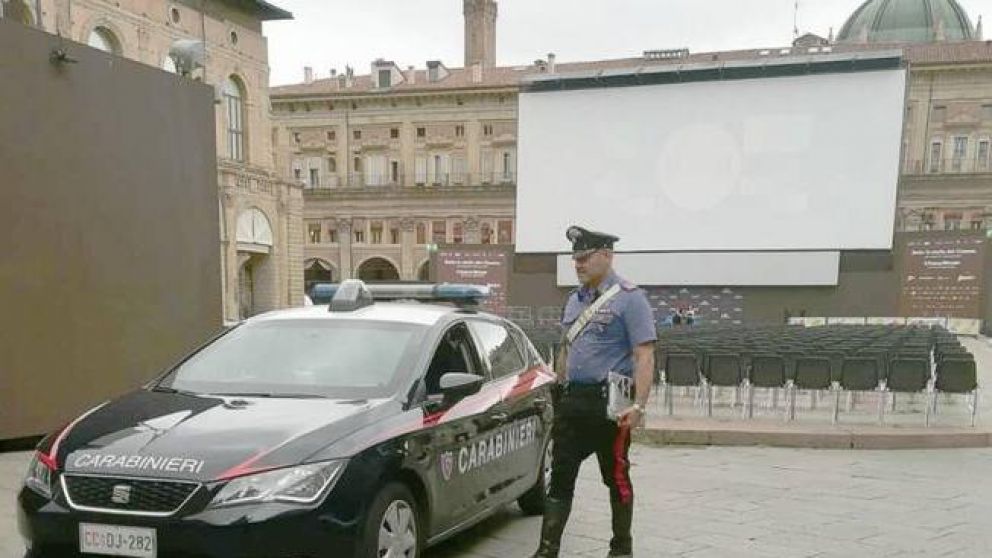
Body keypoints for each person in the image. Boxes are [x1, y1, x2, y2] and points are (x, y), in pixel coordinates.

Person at [532, 226, 656, 558]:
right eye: (575, 259)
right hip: (573, 404)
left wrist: (639, 406)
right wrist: (558, 387)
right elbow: (566, 348)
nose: (578, 264)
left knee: (616, 478)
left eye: (585, 258)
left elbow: (644, 354)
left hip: (610, 407)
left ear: (606, 255)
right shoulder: (574, 300)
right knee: (559, 479)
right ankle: (547, 550)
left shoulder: (630, 299)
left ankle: (621, 549)